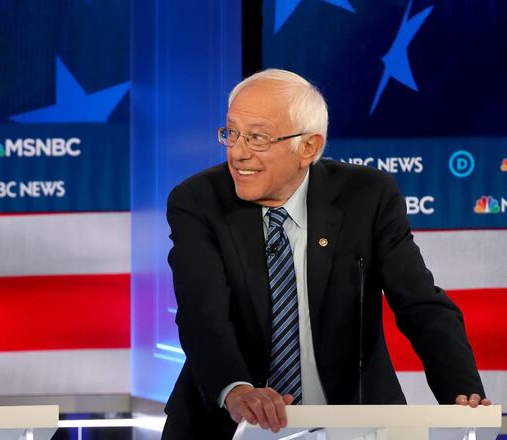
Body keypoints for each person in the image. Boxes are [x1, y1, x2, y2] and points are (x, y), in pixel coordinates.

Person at [161, 69, 488, 439]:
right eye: (231, 132)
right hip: (224, 425)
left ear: (309, 147)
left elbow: (420, 305)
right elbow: (203, 313)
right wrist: (236, 390)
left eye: (258, 137)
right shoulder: (198, 201)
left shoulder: (367, 197)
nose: (238, 151)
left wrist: (463, 397)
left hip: (356, 423)